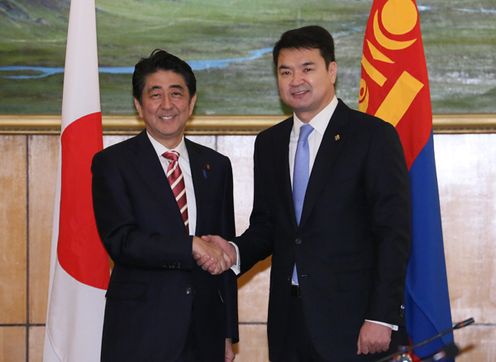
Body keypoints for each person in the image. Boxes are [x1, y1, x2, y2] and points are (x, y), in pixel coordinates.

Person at [198, 26, 411, 361]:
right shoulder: (269, 143)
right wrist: (235, 250)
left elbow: (393, 234)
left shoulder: (372, 136)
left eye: (307, 68)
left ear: (332, 70)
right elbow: (270, 227)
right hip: (289, 323)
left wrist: (381, 316)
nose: (296, 80)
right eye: (285, 71)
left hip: (355, 323)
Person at [92, 49, 238, 362]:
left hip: (204, 331)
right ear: (138, 105)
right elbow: (122, 241)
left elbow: (223, 249)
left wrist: (227, 332)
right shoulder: (113, 164)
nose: (167, 105)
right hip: (140, 330)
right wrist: (190, 247)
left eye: (176, 93)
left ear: (192, 102)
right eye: (155, 94)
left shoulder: (216, 165)